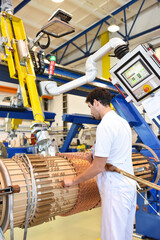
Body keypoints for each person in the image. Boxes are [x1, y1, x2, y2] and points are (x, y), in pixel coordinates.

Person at [63, 87, 137, 240]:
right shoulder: (123, 123)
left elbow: (98, 167)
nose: (90, 112)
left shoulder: (105, 125)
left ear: (96, 102)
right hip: (129, 186)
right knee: (125, 235)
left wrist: (73, 180)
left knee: (112, 237)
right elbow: (113, 153)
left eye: (90, 107)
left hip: (115, 189)